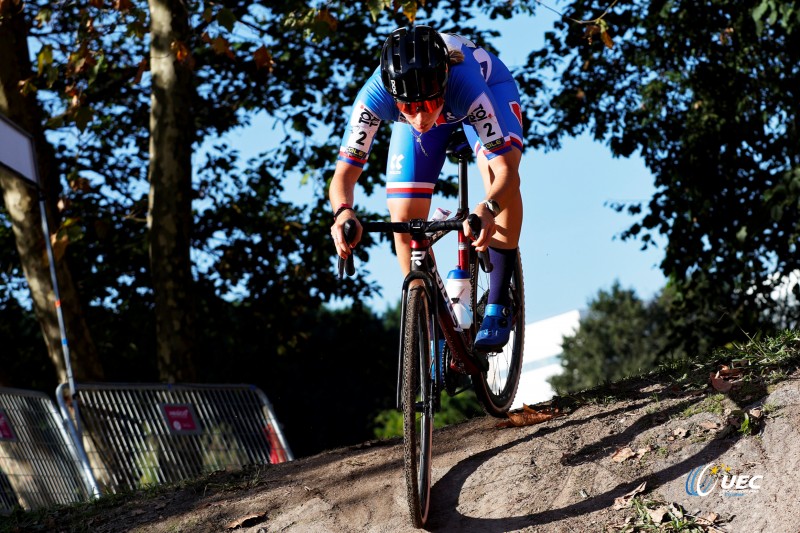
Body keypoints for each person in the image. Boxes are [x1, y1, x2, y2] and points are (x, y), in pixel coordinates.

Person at [329, 25, 523, 352]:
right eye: (408, 107)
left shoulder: (466, 86)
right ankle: (432, 322)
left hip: (490, 90)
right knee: (403, 216)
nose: (419, 118)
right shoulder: (373, 96)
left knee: (496, 178)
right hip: (446, 109)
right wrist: (342, 213)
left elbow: (507, 172)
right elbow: (343, 177)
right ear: (393, 96)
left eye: (428, 103)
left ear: (443, 83)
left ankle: (498, 302)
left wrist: (488, 209)